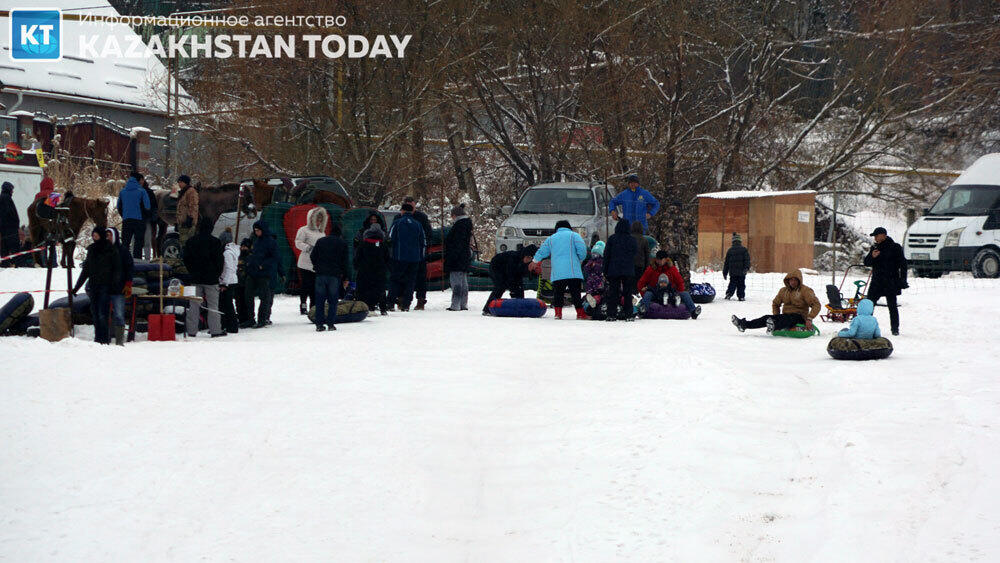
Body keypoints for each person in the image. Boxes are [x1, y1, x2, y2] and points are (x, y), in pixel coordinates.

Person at [72, 228, 121, 344]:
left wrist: (115, 285)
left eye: (96, 235)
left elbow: (117, 270)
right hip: (94, 286)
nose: (94, 237)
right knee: (94, 312)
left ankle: (104, 338)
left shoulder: (111, 249)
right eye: (93, 235)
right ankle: (97, 337)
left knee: (102, 313)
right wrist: (76, 287)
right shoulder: (92, 250)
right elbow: (85, 271)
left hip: (106, 286)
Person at [532, 220, 589, 320]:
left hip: (558, 272)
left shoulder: (551, 238)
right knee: (576, 293)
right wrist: (579, 259)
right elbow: (582, 250)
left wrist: (534, 261)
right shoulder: (574, 236)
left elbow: (542, 251)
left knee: (558, 293)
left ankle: (558, 314)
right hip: (573, 271)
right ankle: (580, 313)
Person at [732, 269, 820, 333]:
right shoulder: (783, 291)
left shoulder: (805, 291)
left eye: (795, 280)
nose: (792, 282)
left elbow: (816, 305)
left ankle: (774, 325)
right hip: (785, 317)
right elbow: (775, 303)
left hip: (799, 317)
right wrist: (776, 316)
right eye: (791, 280)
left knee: (790, 317)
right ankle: (744, 324)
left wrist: (809, 318)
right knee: (766, 318)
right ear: (788, 281)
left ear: (799, 280)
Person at [183, 219, 225, 338]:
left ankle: (191, 330)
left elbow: (186, 259)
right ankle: (215, 330)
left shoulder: (191, 241)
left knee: (194, 306)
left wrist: (191, 271)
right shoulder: (215, 242)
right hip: (211, 279)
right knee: (213, 306)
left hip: (195, 278)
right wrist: (217, 274)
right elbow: (220, 261)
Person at [864, 227, 907, 336]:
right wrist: (872, 256)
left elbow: (903, 265)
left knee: (892, 306)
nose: (875, 238)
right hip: (876, 281)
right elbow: (867, 262)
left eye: (876, 236)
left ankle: (895, 329)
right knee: (869, 305)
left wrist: (903, 280)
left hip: (890, 281)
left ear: (883, 235)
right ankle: (866, 328)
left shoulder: (895, 247)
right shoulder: (875, 247)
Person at [637, 250, 701, 318]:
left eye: (662, 260)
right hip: (655, 292)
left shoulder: (672, 269)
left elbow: (679, 282)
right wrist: (644, 294)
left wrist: (678, 293)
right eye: (658, 260)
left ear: (666, 259)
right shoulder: (651, 269)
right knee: (648, 294)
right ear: (656, 259)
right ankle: (643, 310)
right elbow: (641, 283)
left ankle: (693, 311)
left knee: (685, 294)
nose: (660, 262)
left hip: (670, 293)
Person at [310, 223, 350, 331]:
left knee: (319, 301)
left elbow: (313, 256)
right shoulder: (342, 243)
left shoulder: (321, 241)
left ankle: (319, 325)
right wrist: (346, 277)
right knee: (333, 300)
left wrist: (316, 266)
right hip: (334, 275)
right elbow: (345, 262)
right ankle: (331, 324)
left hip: (320, 274)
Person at [387, 203, 426, 312]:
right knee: (411, 281)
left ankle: (390, 303)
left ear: (402, 211)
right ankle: (406, 304)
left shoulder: (397, 223)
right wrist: (420, 256)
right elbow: (423, 241)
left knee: (395, 280)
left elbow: (390, 239)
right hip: (414, 258)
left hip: (399, 257)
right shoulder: (418, 224)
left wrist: (390, 255)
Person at [482, 245, 537, 315]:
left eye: (531, 258)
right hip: (496, 266)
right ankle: (487, 309)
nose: (528, 260)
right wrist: (513, 290)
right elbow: (510, 276)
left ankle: (519, 308)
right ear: (524, 255)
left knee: (519, 287)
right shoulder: (513, 258)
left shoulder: (526, 262)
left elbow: (520, 276)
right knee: (500, 286)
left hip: (509, 270)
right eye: (528, 257)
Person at [294, 207, 329, 315]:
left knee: (315, 286)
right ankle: (303, 304)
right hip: (305, 263)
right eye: (317, 219)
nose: (319, 222)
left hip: (317, 264)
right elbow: (298, 242)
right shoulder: (303, 230)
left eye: (320, 220)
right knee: (306, 285)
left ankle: (313, 306)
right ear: (311, 219)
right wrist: (309, 248)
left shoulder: (322, 233)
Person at [602, 218, 638, 321]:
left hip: (614, 269)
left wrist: (605, 270)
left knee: (613, 293)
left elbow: (606, 255)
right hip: (628, 269)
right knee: (627, 293)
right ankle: (628, 314)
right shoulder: (632, 239)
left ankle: (611, 314)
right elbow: (635, 253)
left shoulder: (612, 239)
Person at [401, 196, 433, 310]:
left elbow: (428, 233)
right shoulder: (399, 218)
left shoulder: (421, 217)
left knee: (420, 277)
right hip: (403, 254)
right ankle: (402, 300)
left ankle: (420, 300)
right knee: (403, 277)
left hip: (419, 253)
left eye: (411, 203)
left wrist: (424, 248)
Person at [244, 220, 278, 328]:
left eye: (258, 230)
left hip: (263, 273)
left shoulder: (271, 242)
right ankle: (250, 318)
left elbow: (274, 257)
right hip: (253, 271)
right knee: (248, 295)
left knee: (264, 297)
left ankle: (262, 319)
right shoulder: (255, 240)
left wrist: (263, 265)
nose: (256, 232)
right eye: (255, 230)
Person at [105, 227, 134, 346]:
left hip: (119, 288)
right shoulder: (102, 250)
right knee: (104, 314)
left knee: (119, 314)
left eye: (110, 235)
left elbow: (129, 268)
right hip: (105, 289)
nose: (108, 238)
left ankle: (119, 340)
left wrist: (128, 283)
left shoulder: (123, 251)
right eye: (106, 235)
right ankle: (104, 338)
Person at [354, 222, 390, 315]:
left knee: (363, 289)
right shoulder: (383, 245)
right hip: (379, 271)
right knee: (380, 289)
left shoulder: (363, 243)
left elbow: (357, 257)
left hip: (364, 270)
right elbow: (387, 258)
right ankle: (383, 308)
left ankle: (363, 307)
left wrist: (356, 266)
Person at [444, 203, 473, 311]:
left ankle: (455, 305)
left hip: (456, 257)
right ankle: (463, 304)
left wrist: (451, 257)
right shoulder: (467, 224)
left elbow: (455, 243)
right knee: (463, 281)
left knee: (456, 282)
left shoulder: (458, 226)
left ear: (455, 215)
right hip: (464, 256)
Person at [116, 172, 151, 259]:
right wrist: (145, 216)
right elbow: (147, 206)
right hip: (139, 221)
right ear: (139, 180)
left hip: (126, 220)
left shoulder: (123, 191)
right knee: (138, 243)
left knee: (125, 243)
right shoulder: (142, 191)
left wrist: (124, 215)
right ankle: (137, 262)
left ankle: (124, 262)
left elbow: (118, 206)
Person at [218, 229, 240, 334]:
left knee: (226, 304)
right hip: (231, 280)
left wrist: (224, 283)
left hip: (228, 282)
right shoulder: (233, 250)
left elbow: (228, 268)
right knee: (228, 304)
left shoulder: (227, 253)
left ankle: (230, 326)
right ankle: (230, 325)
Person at [723, 233, 751, 301]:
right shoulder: (744, 250)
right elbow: (747, 260)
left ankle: (729, 294)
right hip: (742, 271)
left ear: (733, 242)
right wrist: (746, 268)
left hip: (733, 272)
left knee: (732, 283)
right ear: (740, 241)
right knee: (741, 284)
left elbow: (726, 263)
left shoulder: (730, 250)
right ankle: (741, 296)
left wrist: (725, 272)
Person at [0, 182, 20, 266]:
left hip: (4, 228)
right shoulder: (7, 198)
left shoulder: (2, 197)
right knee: (14, 246)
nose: (13, 191)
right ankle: (14, 263)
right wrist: (16, 223)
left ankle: (5, 262)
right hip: (10, 228)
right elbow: (10, 213)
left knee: (4, 247)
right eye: (12, 189)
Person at [176, 175, 199, 245]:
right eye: (178, 182)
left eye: (180, 182)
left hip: (188, 222)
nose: (179, 184)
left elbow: (193, 206)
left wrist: (190, 218)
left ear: (185, 182)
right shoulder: (183, 192)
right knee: (182, 242)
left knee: (187, 242)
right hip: (182, 222)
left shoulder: (191, 192)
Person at [235, 237, 252, 326]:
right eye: (242, 246)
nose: (243, 248)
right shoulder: (238, 257)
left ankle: (248, 318)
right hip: (238, 283)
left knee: (247, 302)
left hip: (247, 283)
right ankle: (241, 318)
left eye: (245, 247)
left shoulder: (250, 257)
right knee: (239, 301)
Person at [141, 178, 159, 260]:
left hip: (144, 220)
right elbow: (154, 207)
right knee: (146, 242)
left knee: (144, 242)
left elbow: (154, 207)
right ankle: (146, 259)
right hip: (146, 220)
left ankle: (144, 260)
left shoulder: (149, 192)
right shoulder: (149, 192)